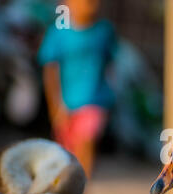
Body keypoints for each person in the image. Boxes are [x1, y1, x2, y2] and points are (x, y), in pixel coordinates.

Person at [38, 0, 117, 178]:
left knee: (86, 141)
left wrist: (112, 96)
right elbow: (50, 70)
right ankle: (72, 186)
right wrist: (55, 106)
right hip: (67, 102)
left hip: (96, 99)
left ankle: (83, 187)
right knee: (67, 152)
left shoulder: (104, 31)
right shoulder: (59, 33)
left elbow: (111, 65)